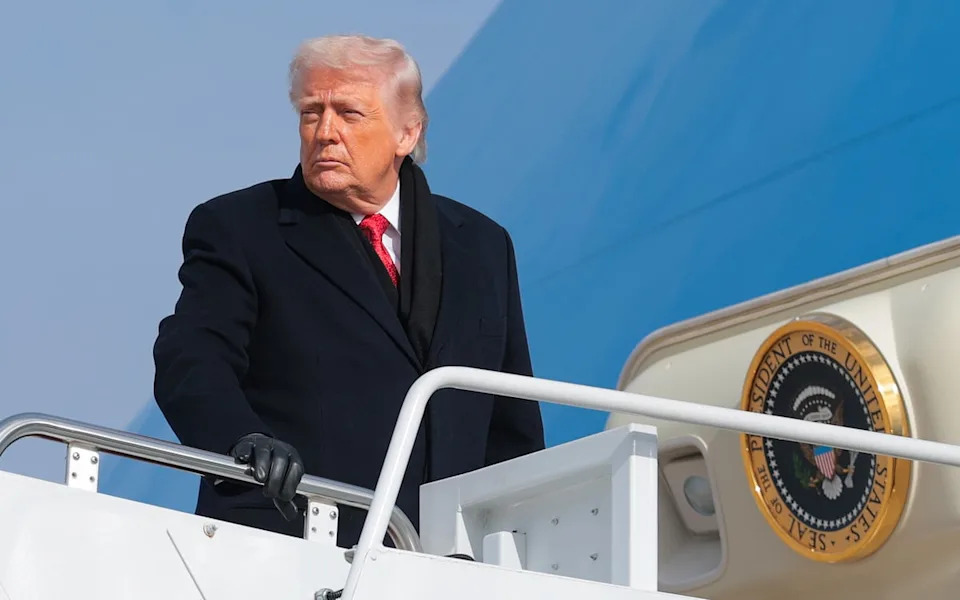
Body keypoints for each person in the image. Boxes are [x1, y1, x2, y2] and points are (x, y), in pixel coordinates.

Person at [152, 34, 545, 547]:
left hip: (448, 563)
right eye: (311, 113)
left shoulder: (484, 246)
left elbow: (511, 421)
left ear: (409, 133)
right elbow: (191, 359)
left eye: (349, 114)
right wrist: (239, 441)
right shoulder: (239, 227)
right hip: (290, 547)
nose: (325, 132)